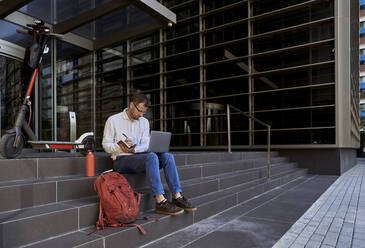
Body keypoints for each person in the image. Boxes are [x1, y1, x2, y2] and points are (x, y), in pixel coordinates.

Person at [102, 93, 197, 215]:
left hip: (140, 157)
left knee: (168, 157)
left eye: (144, 112)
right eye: (140, 111)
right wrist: (120, 146)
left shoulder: (144, 122)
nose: (141, 115)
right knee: (151, 157)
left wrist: (134, 149)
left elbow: (146, 145)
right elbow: (105, 145)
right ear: (131, 105)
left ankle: (177, 196)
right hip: (121, 160)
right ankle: (160, 201)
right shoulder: (113, 120)